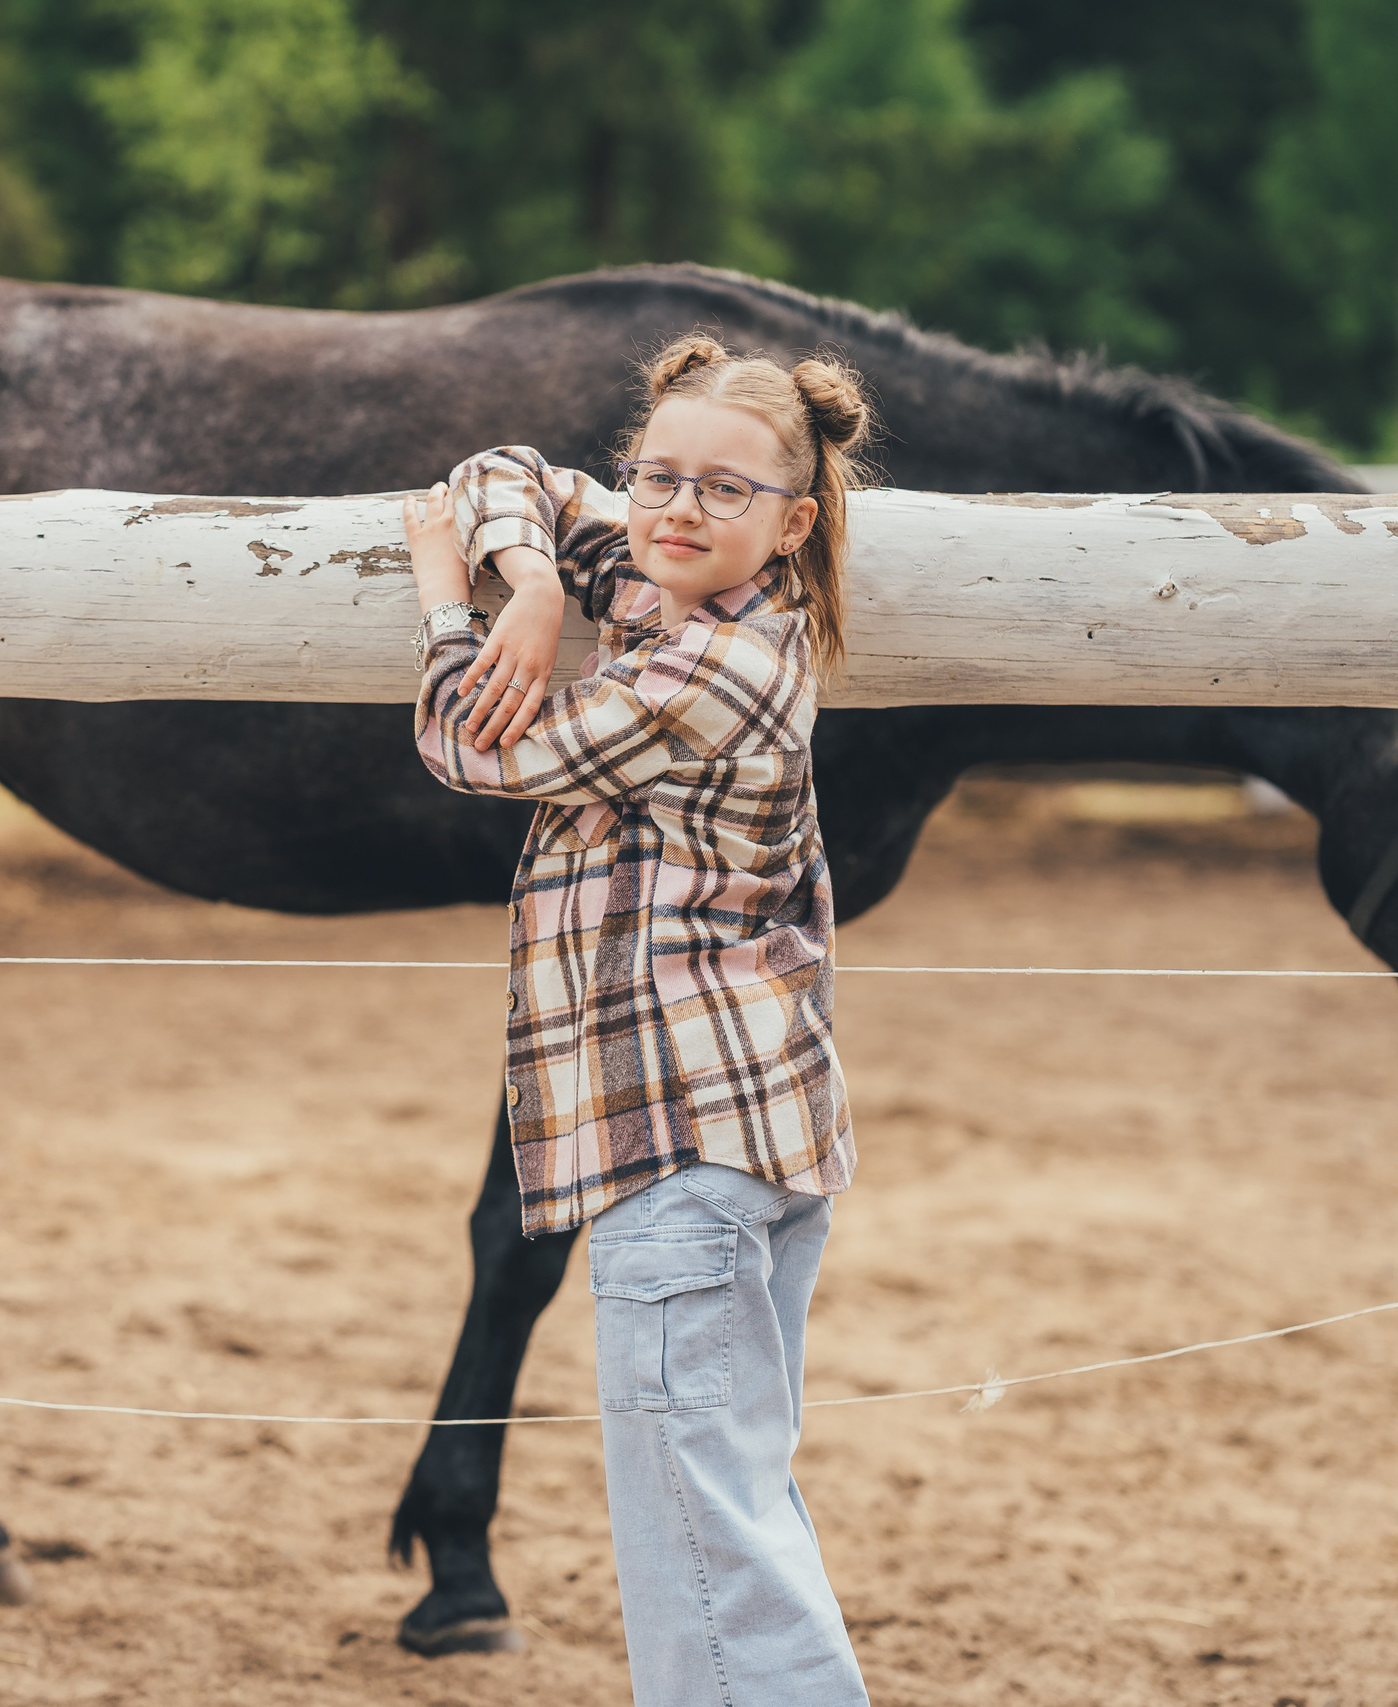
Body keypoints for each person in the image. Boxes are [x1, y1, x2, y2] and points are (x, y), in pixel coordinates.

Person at [400, 335, 873, 1706]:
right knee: (729, 1502)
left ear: (793, 523)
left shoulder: (707, 673)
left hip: (682, 1151)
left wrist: (453, 597)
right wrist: (539, 578)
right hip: (743, 1140)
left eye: (722, 491)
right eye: (656, 475)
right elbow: (506, 469)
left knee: (699, 1540)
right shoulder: (674, 593)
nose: (675, 509)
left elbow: (475, 746)